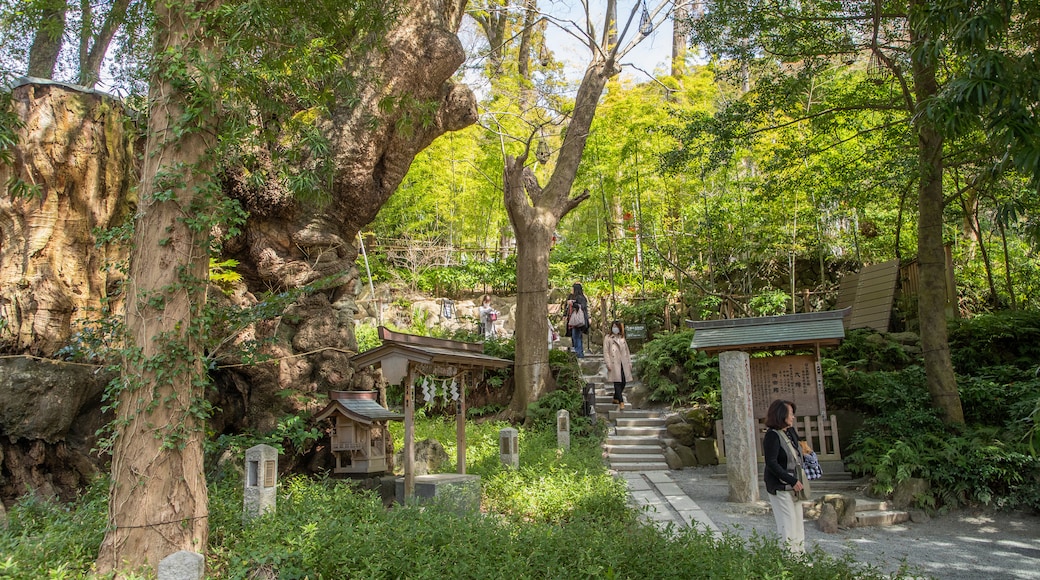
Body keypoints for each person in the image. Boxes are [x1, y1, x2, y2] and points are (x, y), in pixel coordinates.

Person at [763, 399, 805, 553]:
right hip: (780, 485)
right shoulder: (772, 436)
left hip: (795, 484)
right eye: (790, 414)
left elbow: (797, 453)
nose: (793, 417)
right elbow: (772, 463)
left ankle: (800, 554)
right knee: (787, 521)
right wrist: (791, 480)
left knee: (798, 521)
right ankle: (787, 556)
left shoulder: (791, 432)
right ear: (781, 415)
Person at [603, 320, 633, 411]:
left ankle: (616, 397)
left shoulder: (622, 338)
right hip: (614, 362)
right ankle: (621, 401)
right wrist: (608, 363)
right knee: (617, 382)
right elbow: (606, 351)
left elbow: (627, 351)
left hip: (623, 362)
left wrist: (629, 362)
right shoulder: (608, 338)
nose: (614, 328)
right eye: (613, 326)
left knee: (623, 381)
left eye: (616, 326)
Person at [565, 283, 589, 358]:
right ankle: (578, 353)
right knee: (576, 336)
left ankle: (579, 354)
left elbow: (582, 306)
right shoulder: (575, 297)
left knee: (576, 337)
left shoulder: (580, 298)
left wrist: (573, 303)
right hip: (576, 321)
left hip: (578, 321)